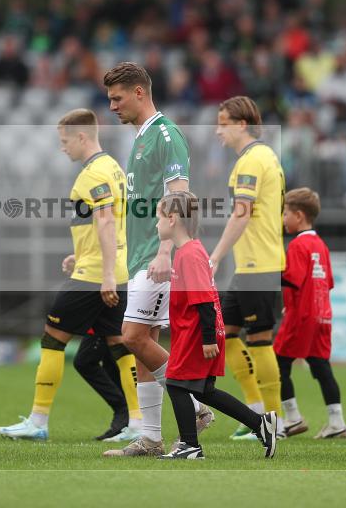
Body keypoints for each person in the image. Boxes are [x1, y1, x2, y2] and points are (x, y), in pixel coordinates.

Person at [0, 109, 141, 441]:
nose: (62, 148)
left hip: (95, 276)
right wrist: (85, 253)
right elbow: (113, 222)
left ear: (81, 137)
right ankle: (135, 422)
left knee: (52, 339)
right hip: (114, 268)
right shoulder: (114, 168)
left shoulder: (93, 174)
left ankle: (38, 421)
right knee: (120, 347)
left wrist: (102, 273)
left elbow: (105, 220)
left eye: (64, 141)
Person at [101, 62, 213, 458]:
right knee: (143, 342)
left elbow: (179, 195)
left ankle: (196, 402)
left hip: (157, 255)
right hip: (141, 255)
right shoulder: (142, 138)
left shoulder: (166, 135)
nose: (112, 106)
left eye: (117, 98)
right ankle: (151, 437)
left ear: (139, 93)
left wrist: (167, 251)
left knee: (132, 336)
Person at [155, 191, 278, 460]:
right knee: (205, 391)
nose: (156, 224)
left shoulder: (189, 254)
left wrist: (209, 338)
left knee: (175, 384)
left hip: (198, 333)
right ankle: (260, 424)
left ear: (173, 219)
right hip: (199, 332)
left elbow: (204, 302)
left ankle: (190, 445)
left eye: (159, 217)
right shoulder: (190, 252)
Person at [207, 96, 285, 440]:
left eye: (223, 123)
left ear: (241, 124)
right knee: (228, 334)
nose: (217, 130)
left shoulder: (252, 161)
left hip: (258, 264)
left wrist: (215, 255)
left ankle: (275, 420)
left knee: (260, 341)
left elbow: (242, 213)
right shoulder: (262, 156)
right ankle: (256, 411)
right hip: (252, 265)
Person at [275, 188, 346, 439]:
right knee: (320, 366)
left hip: (301, 314)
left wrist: (270, 280)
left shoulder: (298, 245)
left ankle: (293, 418)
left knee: (278, 364)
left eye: (285, 213)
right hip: (322, 314)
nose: (283, 218)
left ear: (299, 215)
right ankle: (337, 422)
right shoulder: (321, 245)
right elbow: (327, 282)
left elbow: (292, 279)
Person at [73, 331, 135, 442]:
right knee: (111, 361)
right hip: (106, 317)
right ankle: (130, 417)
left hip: (103, 317)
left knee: (84, 362)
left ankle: (128, 412)